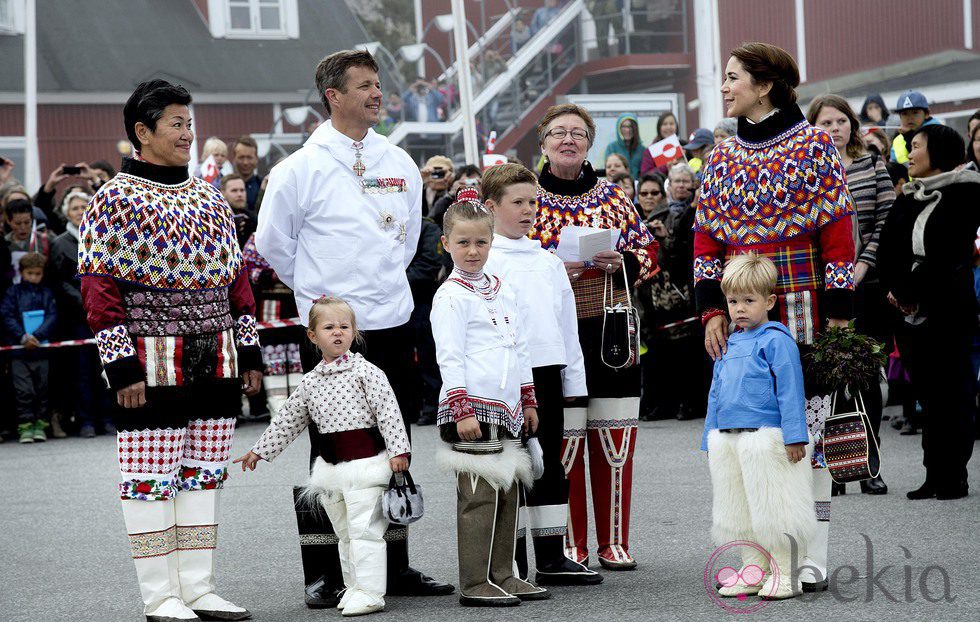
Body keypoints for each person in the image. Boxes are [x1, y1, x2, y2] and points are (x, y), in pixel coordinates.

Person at [256, 49, 452, 605]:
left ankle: (394, 563)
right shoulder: (300, 167)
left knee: (394, 439)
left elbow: (413, 234)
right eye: (363, 86)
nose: (376, 94)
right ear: (333, 96)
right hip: (332, 326)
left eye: (378, 84)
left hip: (390, 319)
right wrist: (319, 295)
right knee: (329, 446)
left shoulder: (399, 162)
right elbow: (273, 243)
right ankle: (327, 570)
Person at [78, 79, 262, 622]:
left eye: (189, 123)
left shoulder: (208, 197)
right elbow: (99, 287)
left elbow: (238, 283)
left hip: (218, 355)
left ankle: (198, 586)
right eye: (176, 124)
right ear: (143, 131)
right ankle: (162, 595)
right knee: (149, 476)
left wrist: (248, 353)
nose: (187, 133)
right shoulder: (113, 198)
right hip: (150, 361)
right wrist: (120, 363)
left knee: (204, 472)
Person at [695, 42, 855, 593]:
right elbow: (705, 238)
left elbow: (838, 232)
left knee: (802, 439)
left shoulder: (813, 144)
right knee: (746, 441)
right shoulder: (720, 155)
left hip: (804, 308)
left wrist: (838, 316)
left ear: (763, 85)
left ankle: (811, 554)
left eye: (733, 77)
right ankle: (760, 555)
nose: (724, 87)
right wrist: (712, 309)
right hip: (741, 311)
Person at [531, 102, 660, 570]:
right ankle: (571, 542)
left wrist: (623, 261)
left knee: (614, 437)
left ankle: (613, 541)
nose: (569, 140)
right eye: (559, 133)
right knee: (565, 438)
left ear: (589, 143)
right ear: (542, 143)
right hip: (553, 333)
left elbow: (649, 252)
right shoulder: (525, 198)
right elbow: (500, 259)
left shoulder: (615, 197)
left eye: (578, 134)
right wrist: (549, 270)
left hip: (610, 330)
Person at [235, 296, 412, 617]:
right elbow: (288, 419)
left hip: (366, 462)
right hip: (330, 467)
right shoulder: (310, 381)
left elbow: (388, 410)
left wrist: (399, 450)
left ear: (355, 332)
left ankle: (371, 592)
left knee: (365, 531)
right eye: (329, 327)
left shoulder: (367, 372)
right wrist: (259, 451)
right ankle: (355, 586)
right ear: (313, 336)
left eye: (345, 326)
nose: (338, 333)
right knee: (344, 533)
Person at [481, 164, 599, 585]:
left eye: (533, 201)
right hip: (503, 378)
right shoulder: (484, 261)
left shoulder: (548, 261)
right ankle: (508, 563)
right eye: (518, 202)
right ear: (491, 206)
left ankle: (552, 556)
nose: (529, 210)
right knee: (509, 465)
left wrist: (575, 383)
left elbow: (567, 326)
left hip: (547, 373)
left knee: (549, 465)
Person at [431, 190, 548, 607]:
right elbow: (450, 356)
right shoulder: (450, 296)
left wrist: (528, 397)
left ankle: (503, 573)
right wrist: (461, 408)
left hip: (507, 404)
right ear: (447, 244)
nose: (473, 250)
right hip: (470, 406)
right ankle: (474, 581)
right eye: (463, 242)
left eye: (481, 242)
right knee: (479, 495)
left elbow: (518, 345)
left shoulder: (501, 288)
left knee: (508, 489)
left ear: (491, 241)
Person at [702, 253, 815, 600]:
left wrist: (795, 435)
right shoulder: (730, 341)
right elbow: (716, 391)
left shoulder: (777, 340)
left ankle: (786, 571)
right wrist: (710, 435)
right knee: (739, 510)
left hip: (766, 439)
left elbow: (791, 389)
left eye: (749, 301)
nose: (739, 309)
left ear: (769, 301)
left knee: (774, 508)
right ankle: (753, 568)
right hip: (729, 440)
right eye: (733, 301)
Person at [878, 124, 979, 501]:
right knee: (929, 396)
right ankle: (933, 474)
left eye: (915, 146)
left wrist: (909, 291)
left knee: (955, 394)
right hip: (907, 313)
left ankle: (955, 476)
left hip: (949, 308)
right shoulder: (908, 195)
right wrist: (895, 292)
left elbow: (950, 254)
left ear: (937, 151)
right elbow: (889, 247)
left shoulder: (967, 193)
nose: (909, 154)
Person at [808, 94, 896, 495]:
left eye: (841, 121)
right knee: (829, 377)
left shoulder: (871, 163)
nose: (835, 129)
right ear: (813, 128)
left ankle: (869, 464)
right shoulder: (806, 169)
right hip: (827, 289)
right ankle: (835, 466)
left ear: (852, 125)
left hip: (868, 286)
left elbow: (886, 221)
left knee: (867, 377)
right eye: (826, 123)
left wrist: (863, 265)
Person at [50, 190, 114, 438]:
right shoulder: (60, 243)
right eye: (75, 207)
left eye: (84, 206)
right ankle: (86, 420)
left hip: (104, 318)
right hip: (78, 319)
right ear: (67, 212)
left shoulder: (102, 239)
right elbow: (58, 282)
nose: (80, 211)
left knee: (105, 369)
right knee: (82, 373)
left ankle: (107, 418)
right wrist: (84, 300)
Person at [242, 233, 303, 418]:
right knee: (272, 356)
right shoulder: (258, 237)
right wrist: (273, 274)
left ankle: (299, 408)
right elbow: (246, 267)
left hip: (296, 303)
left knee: (297, 357)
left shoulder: (300, 235)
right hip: (270, 305)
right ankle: (279, 409)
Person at [2, 252, 57, 443]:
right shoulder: (12, 293)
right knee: (24, 390)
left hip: (41, 349)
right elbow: (7, 316)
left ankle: (41, 425)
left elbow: (52, 316)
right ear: (22, 272)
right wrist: (22, 336)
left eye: (38, 273)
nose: (34, 277)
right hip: (20, 351)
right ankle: (25, 426)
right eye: (30, 273)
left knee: (42, 389)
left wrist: (37, 336)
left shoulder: (47, 293)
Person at [890, 90, 939, 165]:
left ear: (927, 113)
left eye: (915, 112)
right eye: (905, 114)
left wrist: (909, 136)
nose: (910, 118)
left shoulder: (938, 132)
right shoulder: (897, 141)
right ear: (900, 117)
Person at [639, 111, 681, 176]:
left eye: (671, 124)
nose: (668, 127)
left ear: (676, 127)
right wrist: (666, 166)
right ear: (659, 128)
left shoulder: (683, 146)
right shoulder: (650, 151)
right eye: (664, 124)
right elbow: (645, 174)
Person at [603, 113, 645, 177]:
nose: (627, 130)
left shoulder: (642, 150)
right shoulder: (611, 148)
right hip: (616, 185)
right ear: (618, 128)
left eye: (631, 126)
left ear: (635, 128)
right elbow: (609, 170)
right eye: (624, 126)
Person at [220, 173, 256, 248]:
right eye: (234, 191)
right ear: (223, 193)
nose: (239, 194)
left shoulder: (252, 217)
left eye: (242, 190)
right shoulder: (217, 218)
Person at [232, 135, 263, 212]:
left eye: (249, 157)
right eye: (241, 157)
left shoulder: (264, 186)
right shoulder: (224, 185)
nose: (245, 162)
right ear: (234, 158)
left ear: (256, 159)